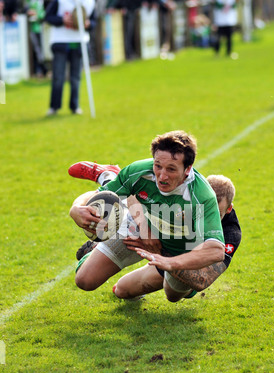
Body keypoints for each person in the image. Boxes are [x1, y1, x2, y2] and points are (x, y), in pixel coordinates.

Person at [68, 130, 225, 302]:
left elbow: (216, 251)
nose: (162, 176)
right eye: (158, 166)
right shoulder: (139, 171)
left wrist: (170, 262)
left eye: (171, 169)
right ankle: (109, 177)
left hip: (176, 253)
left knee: (170, 296)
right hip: (140, 230)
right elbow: (96, 196)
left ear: (188, 169)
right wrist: (76, 209)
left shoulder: (201, 196)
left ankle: (167, 280)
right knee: (85, 280)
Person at [45, 0, 95, 116]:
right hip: (61, 41)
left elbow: (94, 21)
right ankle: (54, 106)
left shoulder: (89, 2)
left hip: (79, 42)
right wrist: (62, 20)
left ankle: (75, 106)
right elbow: (48, 17)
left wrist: (88, 24)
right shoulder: (60, 1)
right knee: (58, 77)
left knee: (76, 77)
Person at [25, 0, 48, 77]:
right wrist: (27, 12)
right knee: (35, 51)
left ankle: (42, 70)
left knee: (40, 51)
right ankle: (39, 70)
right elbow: (23, 9)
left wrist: (37, 14)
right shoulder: (29, 2)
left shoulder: (40, 2)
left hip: (40, 29)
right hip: (30, 29)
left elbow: (44, 14)